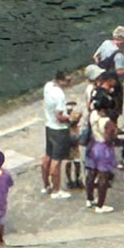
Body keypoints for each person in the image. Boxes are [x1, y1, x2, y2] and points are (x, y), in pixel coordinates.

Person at [42, 71, 75, 200]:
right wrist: (70, 119)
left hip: (49, 126)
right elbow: (59, 115)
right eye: (67, 81)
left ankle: (46, 185)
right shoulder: (60, 95)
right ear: (61, 80)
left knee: (47, 156)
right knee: (56, 161)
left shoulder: (48, 86)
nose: (68, 84)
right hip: (59, 130)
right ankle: (56, 190)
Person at [84, 119, 119, 213]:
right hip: (104, 149)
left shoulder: (93, 115)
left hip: (94, 145)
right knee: (103, 176)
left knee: (91, 173)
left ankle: (89, 199)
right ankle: (100, 205)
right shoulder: (107, 121)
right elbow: (108, 139)